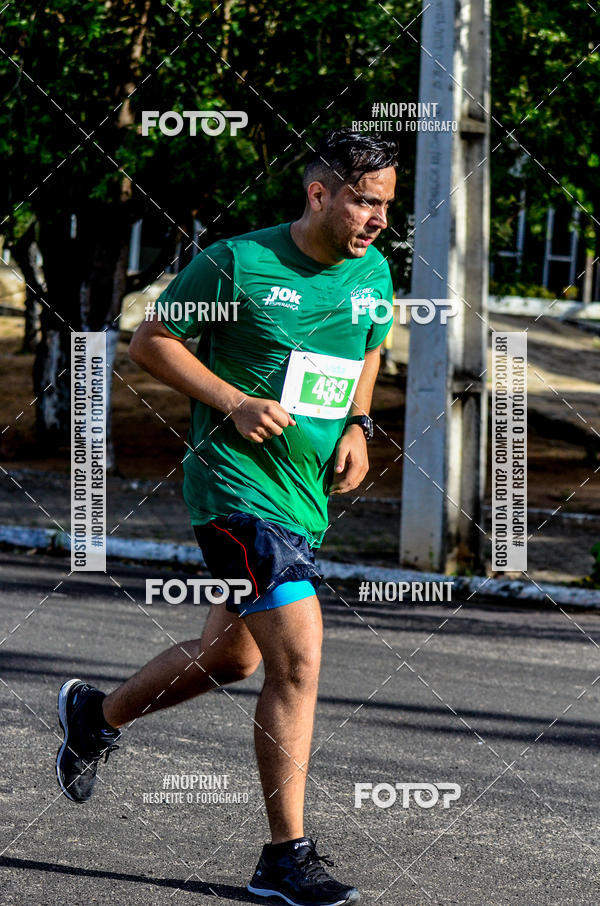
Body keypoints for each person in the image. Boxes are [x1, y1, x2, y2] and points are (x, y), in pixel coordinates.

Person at [56, 127, 397, 906]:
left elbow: (369, 345)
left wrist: (358, 424)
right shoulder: (237, 264)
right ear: (319, 193)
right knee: (299, 656)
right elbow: (151, 342)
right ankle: (285, 858)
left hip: (303, 492)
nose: (378, 220)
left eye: (386, 205)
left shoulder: (372, 270)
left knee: (233, 659)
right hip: (234, 491)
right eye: (364, 202)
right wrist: (234, 402)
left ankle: (92, 717)